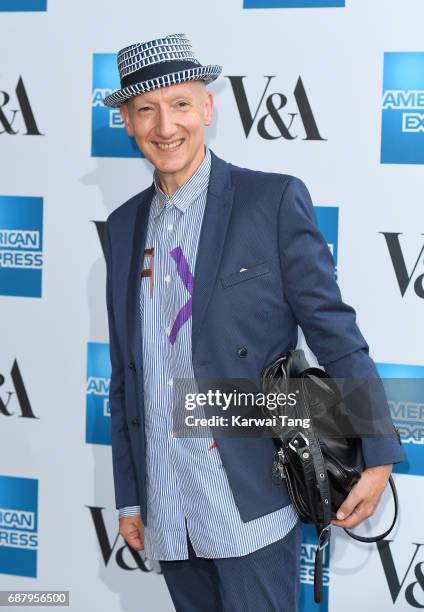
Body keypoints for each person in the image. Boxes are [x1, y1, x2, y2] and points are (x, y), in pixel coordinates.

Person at [103, 33, 405, 611]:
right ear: (128, 122)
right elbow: (127, 374)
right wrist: (129, 496)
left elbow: (334, 334)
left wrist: (378, 450)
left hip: (249, 493)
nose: (166, 125)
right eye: (146, 109)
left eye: (181, 104)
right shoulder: (123, 226)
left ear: (208, 108)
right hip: (166, 503)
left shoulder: (270, 202)